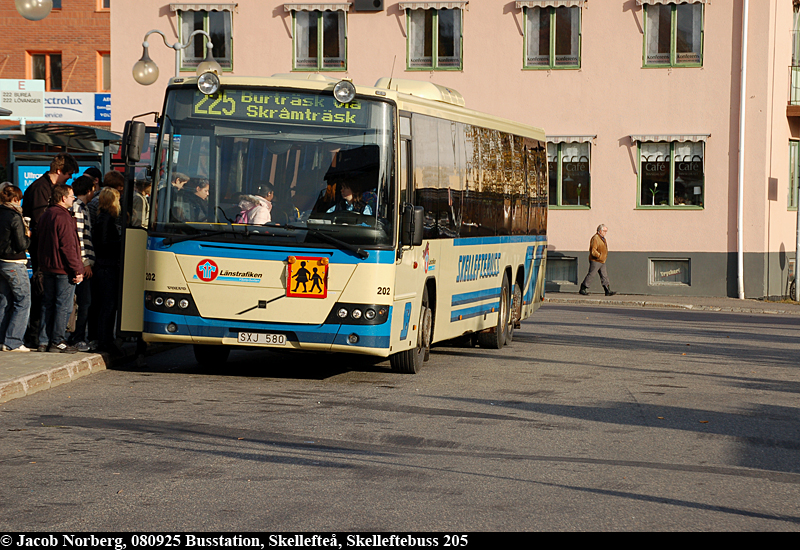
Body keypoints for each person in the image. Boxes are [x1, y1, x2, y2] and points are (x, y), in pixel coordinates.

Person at [22, 153, 78, 347]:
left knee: (48, 299)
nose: (69, 178)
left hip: (46, 255)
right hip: (45, 255)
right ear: (59, 170)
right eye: (68, 174)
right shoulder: (40, 189)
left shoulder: (48, 189)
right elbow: (39, 225)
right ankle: (39, 337)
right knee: (46, 299)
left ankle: (42, 340)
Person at [36, 183, 84, 353]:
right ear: (63, 198)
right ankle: (57, 340)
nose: (73, 199)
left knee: (47, 304)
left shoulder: (46, 214)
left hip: (48, 267)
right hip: (63, 269)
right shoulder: (63, 217)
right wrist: (78, 269)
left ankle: (43, 341)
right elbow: (68, 246)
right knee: (63, 305)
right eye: (72, 196)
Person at [90, 188, 122, 355]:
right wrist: (120, 243)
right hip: (106, 266)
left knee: (104, 305)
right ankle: (105, 340)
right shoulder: (107, 219)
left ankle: (103, 339)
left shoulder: (101, 217)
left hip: (102, 265)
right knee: (108, 305)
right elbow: (104, 243)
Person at [0, 185, 32, 352]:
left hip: (1, 262)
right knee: (23, 300)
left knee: (4, 301)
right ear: (15, 199)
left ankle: (2, 339)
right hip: (14, 262)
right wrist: (28, 238)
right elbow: (21, 244)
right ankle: (13, 341)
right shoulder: (15, 216)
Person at [68, 175, 96, 352]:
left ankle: (76, 336)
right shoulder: (79, 208)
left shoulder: (81, 207)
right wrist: (85, 262)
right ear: (88, 190)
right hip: (82, 262)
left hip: (82, 262)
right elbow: (79, 237)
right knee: (84, 302)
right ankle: (77, 337)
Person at [579, 224, 617, 296]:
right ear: (600, 231)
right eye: (604, 231)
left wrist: (602, 257)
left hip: (602, 260)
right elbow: (593, 250)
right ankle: (583, 288)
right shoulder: (596, 238)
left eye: (606, 231)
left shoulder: (602, 238)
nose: (605, 233)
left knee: (604, 275)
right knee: (591, 274)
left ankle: (607, 290)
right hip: (596, 260)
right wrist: (599, 256)